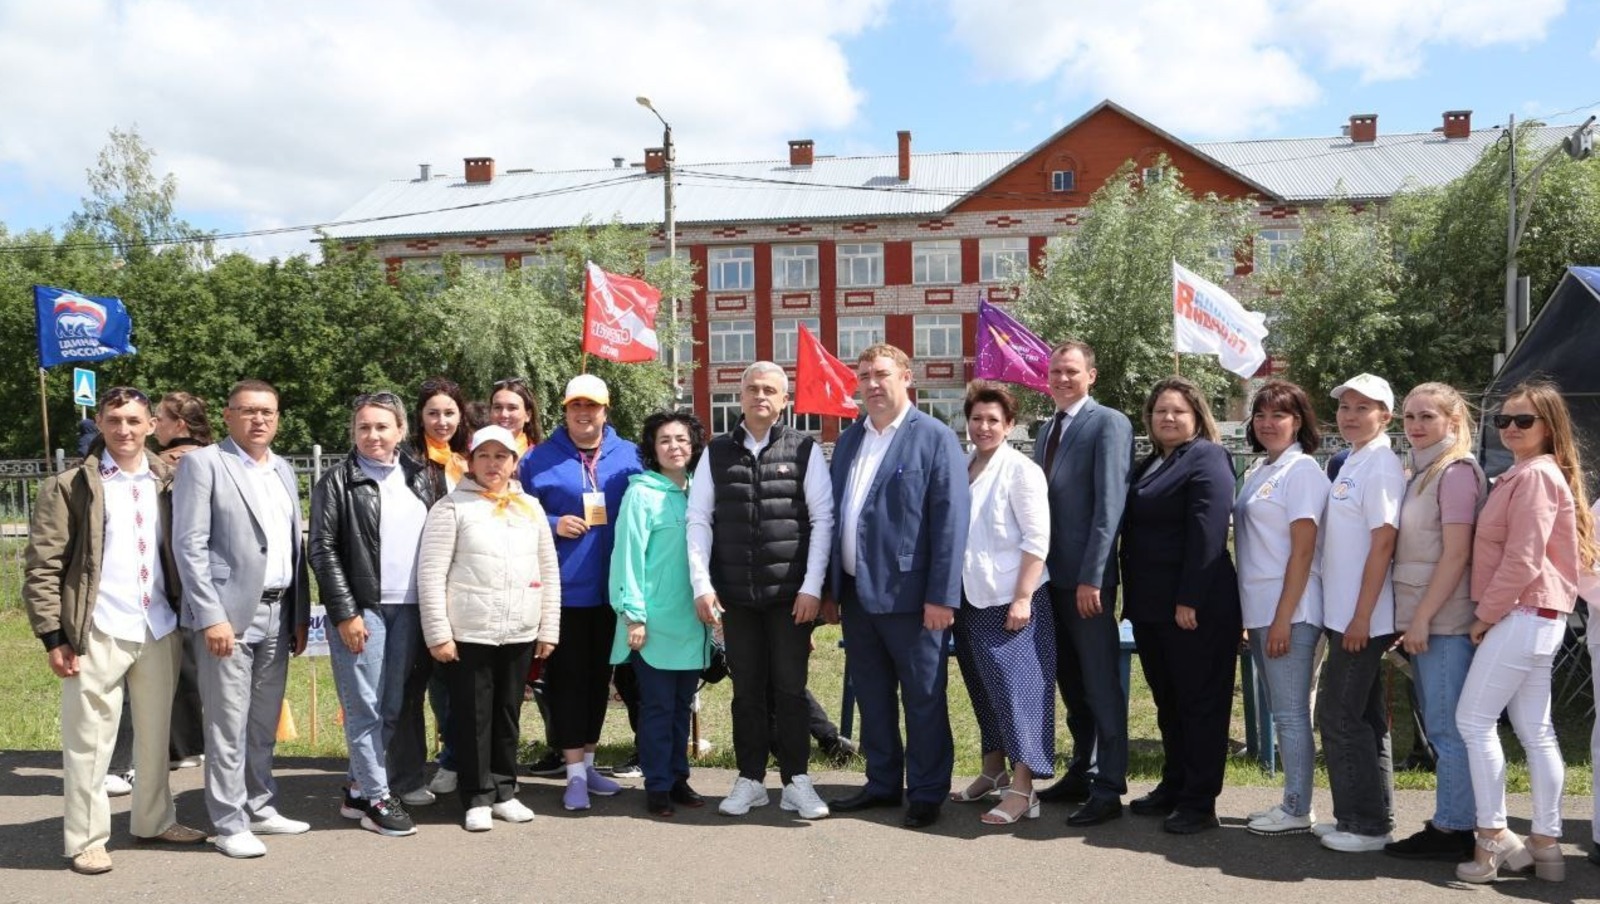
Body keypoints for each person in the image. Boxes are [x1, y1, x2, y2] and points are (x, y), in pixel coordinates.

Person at [23, 387, 209, 875]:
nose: (124, 429)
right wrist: (52, 635)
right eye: (114, 420)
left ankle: (153, 820)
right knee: (90, 741)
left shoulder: (170, 480)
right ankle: (86, 839)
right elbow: (42, 568)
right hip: (96, 627)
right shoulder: (69, 486)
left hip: (158, 625)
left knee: (155, 737)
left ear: (152, 425)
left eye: (133, 420)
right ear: (100, 424)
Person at [823, 343, 970, 830]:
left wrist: (943, 596)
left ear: (907, 377)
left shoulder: (933, 437)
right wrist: (829, 590)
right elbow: (835, 517)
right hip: (857, 595)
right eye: (863, 375)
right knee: (872, 694)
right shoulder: (849, 440)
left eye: (881, 374)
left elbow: (950, 522)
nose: (871, 384)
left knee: (923, 697)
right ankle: (883, 782)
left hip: (914, 599)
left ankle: (927, 791)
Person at [1454, 381, 1596, 884]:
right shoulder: (1530, 474)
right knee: (1536, 731)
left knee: (1473, 722)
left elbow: (1523, 558)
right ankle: (1545, 843)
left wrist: (1485, 616)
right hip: (1539, 617)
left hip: (1520, 613)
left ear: (1548, 426)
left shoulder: (1534, 477)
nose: (1511, 429)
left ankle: (1492, 837)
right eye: (1503, 421)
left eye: (1523, 421)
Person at [686, 362, 834, 821]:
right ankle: (750, 780)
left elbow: (822, 520)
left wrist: (812, 587)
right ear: (740, 395)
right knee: (746, 692)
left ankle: (796, 782)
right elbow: (698, 520)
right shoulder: (715, 454)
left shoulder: (805, 450)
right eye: (752, 389)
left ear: (785, 400)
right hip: (735, 598)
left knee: (790, 691)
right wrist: (701, 584)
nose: (760, 396)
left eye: (770, 390)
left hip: (792, 598)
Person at [172, 379, 311, 859]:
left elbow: (294, 548)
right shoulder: (203, 464)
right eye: (248, 411)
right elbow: (188, 545)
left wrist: (297, 614)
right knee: (227, 723)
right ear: (228, 415)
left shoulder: (284, 470)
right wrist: (211, 616)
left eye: (268, 412)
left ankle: (260, 805)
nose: (259, 420)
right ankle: (229, 822)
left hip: (278, 611)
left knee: (262, 720)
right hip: (228, 617)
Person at [310, 391, 440, 836]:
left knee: (391, 705)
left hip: (410, 607)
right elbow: (323, 551)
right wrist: (346, 613)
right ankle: (377, 799)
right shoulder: (337, 481)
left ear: (401, 430)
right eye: (364, 427)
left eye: (382, 426)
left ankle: (357, 788)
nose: (373, 435)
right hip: (364, 609)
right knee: (364, 706)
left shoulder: (419, 477)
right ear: (354, 433)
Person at [419, 425, 561, 832]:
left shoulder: (530, 508)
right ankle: (476, 795)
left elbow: (547, 571)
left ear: (514, 462)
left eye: (501, 456)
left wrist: (547, 628)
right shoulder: (451, 509)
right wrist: (438, 633)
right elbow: (431, 575)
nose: (493, 464)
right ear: (470, 460)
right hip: (469, 631)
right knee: (471, 716)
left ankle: (505, 790)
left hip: (518, 630)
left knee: (506, 714)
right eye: (484, 456)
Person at [1119, 377, 1240, 835]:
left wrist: (1190, 598)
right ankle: (1174, 783)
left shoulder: (1207, 456)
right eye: (1160, 411)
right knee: (1169, 702)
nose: (1168, 418)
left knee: (1200, 703)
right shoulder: (1152, 461)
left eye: (1178, 411)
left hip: (1196, 606)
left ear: (1196, 417)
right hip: (1152, 609)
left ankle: (1199, 800)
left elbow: (1208, 532)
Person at [519, 374, 641, 811]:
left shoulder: (629, 455)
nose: (584, 414)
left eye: (592, 406)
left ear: (606, 411)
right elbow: (517, 512)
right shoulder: (538, 459)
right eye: (576, 406)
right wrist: (553, 523)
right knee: (567, 683)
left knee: (598, 682)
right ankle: (571, 772)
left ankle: (588, 762)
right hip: (564, 591)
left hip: (613, 591)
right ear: (565, 410)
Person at [1383, 383, 1486, 862]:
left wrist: (1422, 618)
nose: (1416, 426)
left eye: (1427, 416)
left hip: (1444, 619)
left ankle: (1454, 829)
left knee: (1447, 729)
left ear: (1453, 421)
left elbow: (1457, 553)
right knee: (1441, 724)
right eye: (1409, 417)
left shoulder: (1456, 473)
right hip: (1423, 616)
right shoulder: (1421, 472)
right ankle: (1457, 821)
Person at [1032, 340, 1133, 827]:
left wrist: (1094, 576)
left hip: (1087, 585)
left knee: (1099, 683)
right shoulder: (1044, 429)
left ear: (1091, 375)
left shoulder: (1108, 423)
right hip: (1049, 581)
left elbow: (1108, 507)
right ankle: (1082, 769)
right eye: (1055, 371)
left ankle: (1110, 785)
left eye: (1072, 371)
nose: (1062, 378)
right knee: (1070, 682)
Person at [949, 381, 1054, 827]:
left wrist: (1023, 597)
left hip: (1014, 601)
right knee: (983, 689)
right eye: (977, 418)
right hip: (971, 599)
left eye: (994, 419)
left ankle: (1023, 788)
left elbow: (1037, 539)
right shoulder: (964, 465)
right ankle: (993, 771)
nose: (984, 426)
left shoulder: (1021, 470)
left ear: (1010, 425)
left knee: (1020, 695)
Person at [1234, 380, 1328, 836]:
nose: (1268, 423)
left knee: (1291, 714)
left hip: (1291, 611)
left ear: (1299, 422)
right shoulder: (1262, 470)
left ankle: (1297, 808)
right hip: (1263, 610)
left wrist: (1282, 618)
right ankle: (1292, 800)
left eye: (1280, 415)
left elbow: (1304, 552)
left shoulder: (1302, 471)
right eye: (1261, 415)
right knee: (1282, 711)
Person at [106, 390, 213, 790]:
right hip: (192, 587)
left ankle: (127, 764)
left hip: (165, 586)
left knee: (143, 680)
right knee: (184, 671)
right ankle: (184, 747)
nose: (156, 428)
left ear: (178, 425)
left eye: (161, 420)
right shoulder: (219, 458)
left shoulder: (169, 466)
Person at [1316, 373, 1404, 853]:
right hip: (1345, 613)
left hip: (1361, 617)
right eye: (1345, 407)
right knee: (1364, 717)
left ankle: (1365, 825)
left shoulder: (1381, 466)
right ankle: (1371, 816)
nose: (1350, 416)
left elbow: (1384, 541)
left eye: (1362, 408)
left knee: (1339, 716)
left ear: (1384, 416)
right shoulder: (1353, 460)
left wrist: (1362, 617)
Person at [610, 410, 713, 817]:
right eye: (665, 440)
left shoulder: (699, 494)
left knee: (681, 706)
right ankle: (656, 785)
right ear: (653, 449)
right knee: (656, 708)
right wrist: (633, 615)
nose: (675, 447)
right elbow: (627, 558)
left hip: (691, 621)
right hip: (653, 623)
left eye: (682, 439)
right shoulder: (641, 494)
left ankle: (678, 777)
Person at [408, 377, 472, 796]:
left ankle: (465, 757)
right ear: (420, 417)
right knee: (435, 680)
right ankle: (445, 761)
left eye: (449, 412)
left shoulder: (471, 459)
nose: (442, 420)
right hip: (422, 581)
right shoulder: (408, 463)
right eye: (433, 412)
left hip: (467, 583)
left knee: (463, 679)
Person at [490, 377, 542, 456]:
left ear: (528, 415)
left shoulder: (540, 459)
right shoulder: (473, 457)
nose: (504, 414)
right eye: (497, 407)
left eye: (512, 408)